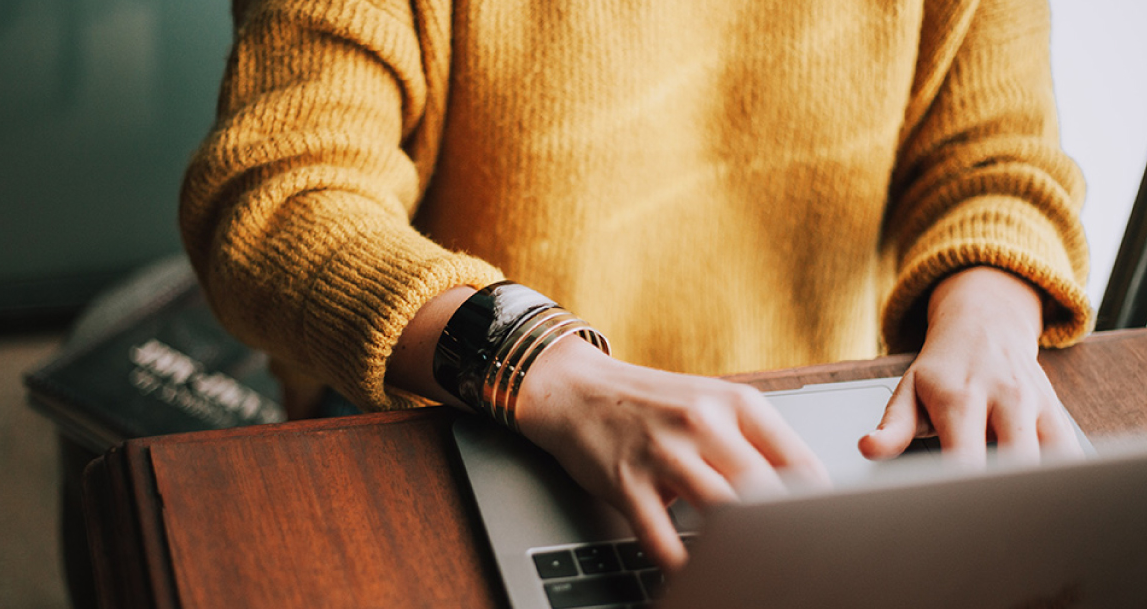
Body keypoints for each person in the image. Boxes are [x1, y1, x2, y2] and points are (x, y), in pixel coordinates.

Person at [180, 0, 1092, 571]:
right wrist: (552, 370)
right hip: (465, 429)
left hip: (817, 451)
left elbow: (997, 159)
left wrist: (990, 315)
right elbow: (278, 198)